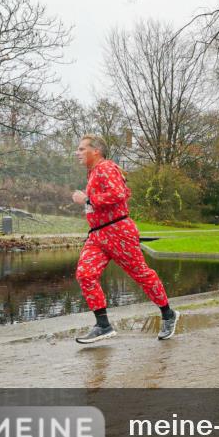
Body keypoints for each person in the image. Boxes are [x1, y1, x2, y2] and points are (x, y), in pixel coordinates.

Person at [71, 134, 179, 343]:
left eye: (82, 149)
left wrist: (86, 198)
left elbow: (119, 193)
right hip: (97, 235)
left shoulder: (106, 167)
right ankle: (103, 325)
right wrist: (89, 202)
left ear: (96, 151)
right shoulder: (93, 172)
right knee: (85, 274)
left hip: (118, 231)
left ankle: (168, 314)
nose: (78, 153)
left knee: (141, 274)